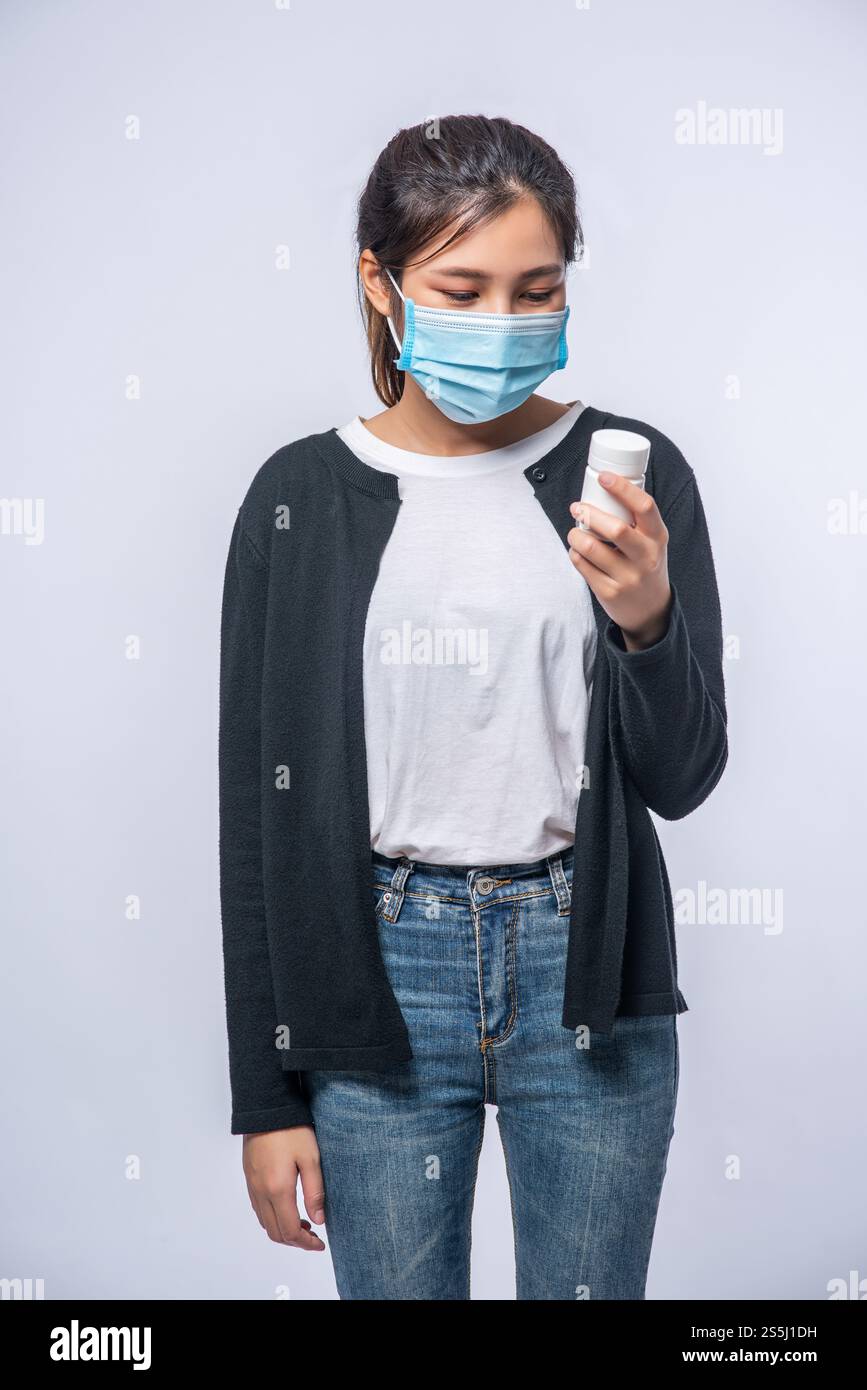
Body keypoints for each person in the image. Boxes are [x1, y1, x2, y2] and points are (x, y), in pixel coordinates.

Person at [218, 114, 728, 1300]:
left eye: (535, 290)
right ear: (381, 283)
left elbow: (685, 778)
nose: (503, 325)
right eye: (463, 287)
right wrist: (265, 1092)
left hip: (584, 973)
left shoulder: (629, 470)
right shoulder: (298, 497)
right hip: (376, 974)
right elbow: (258, 820)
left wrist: (648, 620)